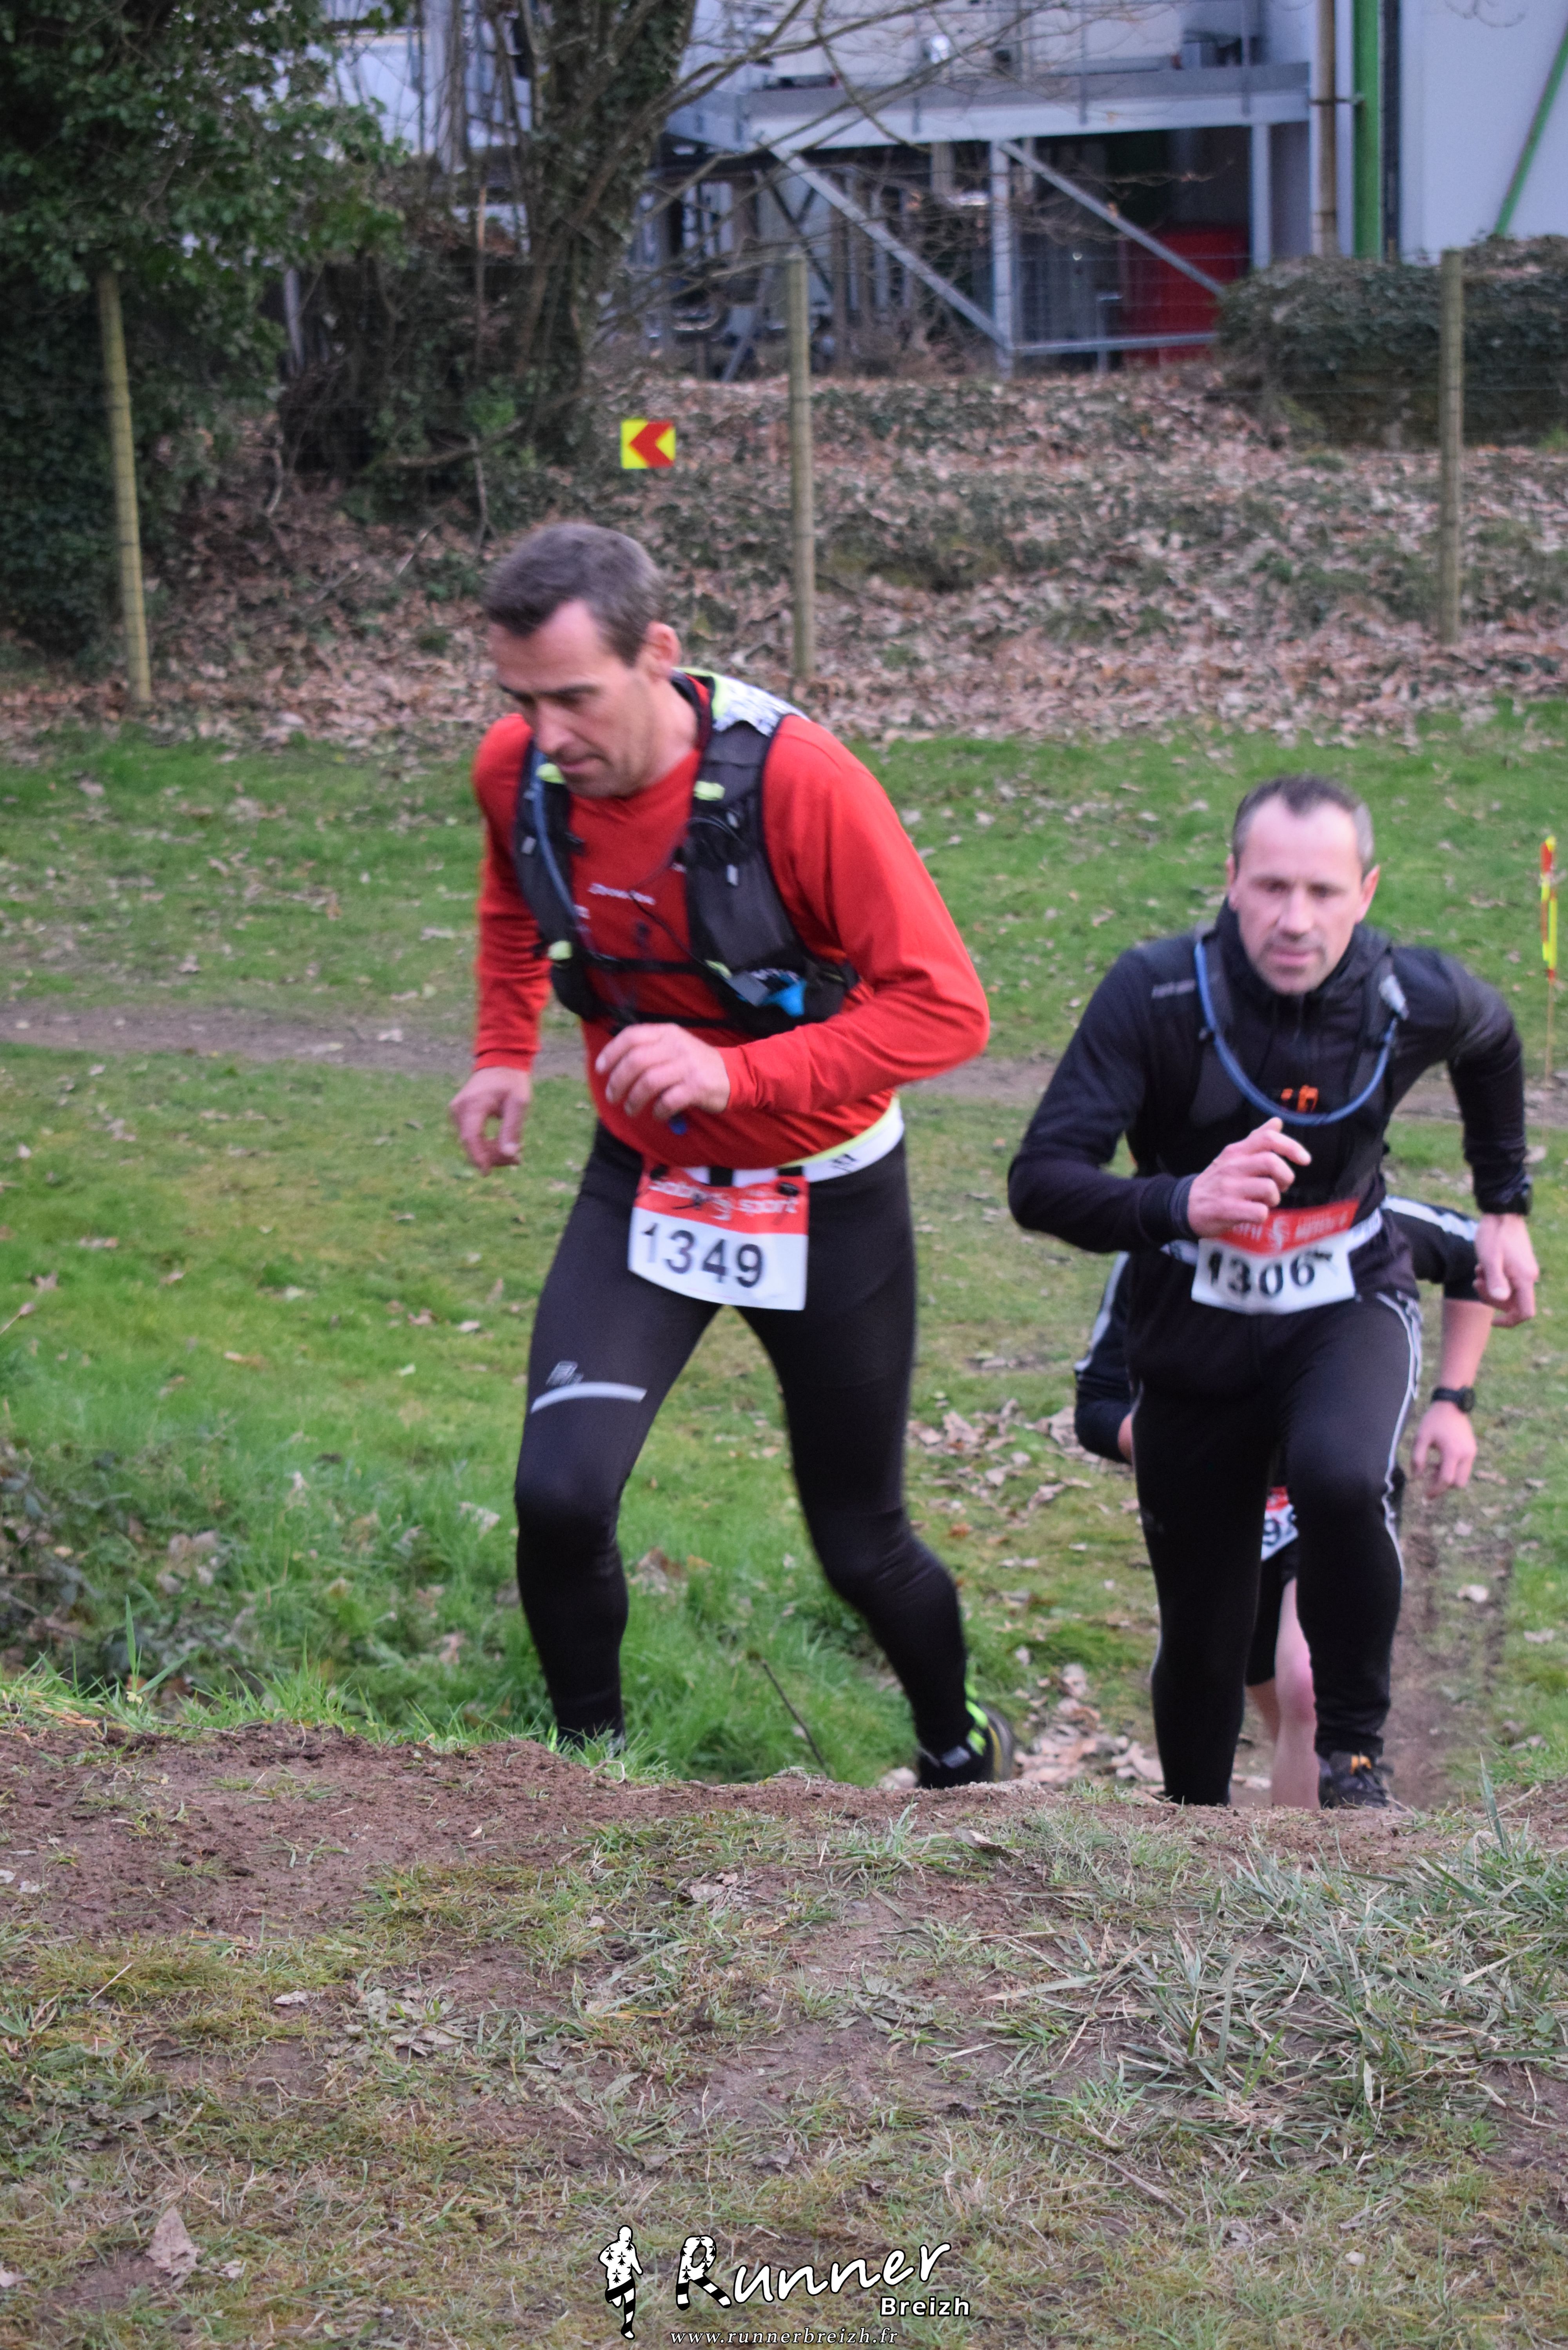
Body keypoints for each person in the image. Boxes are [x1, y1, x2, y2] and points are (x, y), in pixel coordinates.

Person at [447, 523, 1010, 1786]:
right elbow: (513, 901)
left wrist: (735, 1074)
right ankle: (586, 1782)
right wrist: (502, 1049)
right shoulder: (518, 773)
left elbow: (948, 1010)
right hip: (645, 1179)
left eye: (574, 698)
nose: (545, 735)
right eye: (521, 701)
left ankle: (960, 1747)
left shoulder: (801, 785)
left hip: (828, 1191)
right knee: (560, 1494)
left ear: (658, 653)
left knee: (860, 1544)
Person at [1008, 772, 1535, 1808]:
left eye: (1324, 892)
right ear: (1231, 879)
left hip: (1346, 1298)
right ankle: (1192, 1824)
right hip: (1193, 1330)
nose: (1296, 919)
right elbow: (1041, 1180)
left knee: (1339, 1476)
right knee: (1205, 1634)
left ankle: (1354, 1763)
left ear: (1365, 892)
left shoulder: (1410, 992)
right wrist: (1181, 1200)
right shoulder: (1154, 992)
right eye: (1272, 887)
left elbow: (1493, 1040)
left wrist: (1504, 1203)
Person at [1072, 1196, 1495, 1804]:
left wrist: (1454, 1401)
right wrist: (1169, 1439)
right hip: (1219, 1505)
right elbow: (1096, 1402)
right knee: (1248, 1683)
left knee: (1307, 1687)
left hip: (1326, 1493)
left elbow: (1478, 1250)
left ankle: (1318, 1850)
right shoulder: (1164, 1242)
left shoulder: (1359, 1224)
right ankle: (1260, 1831)